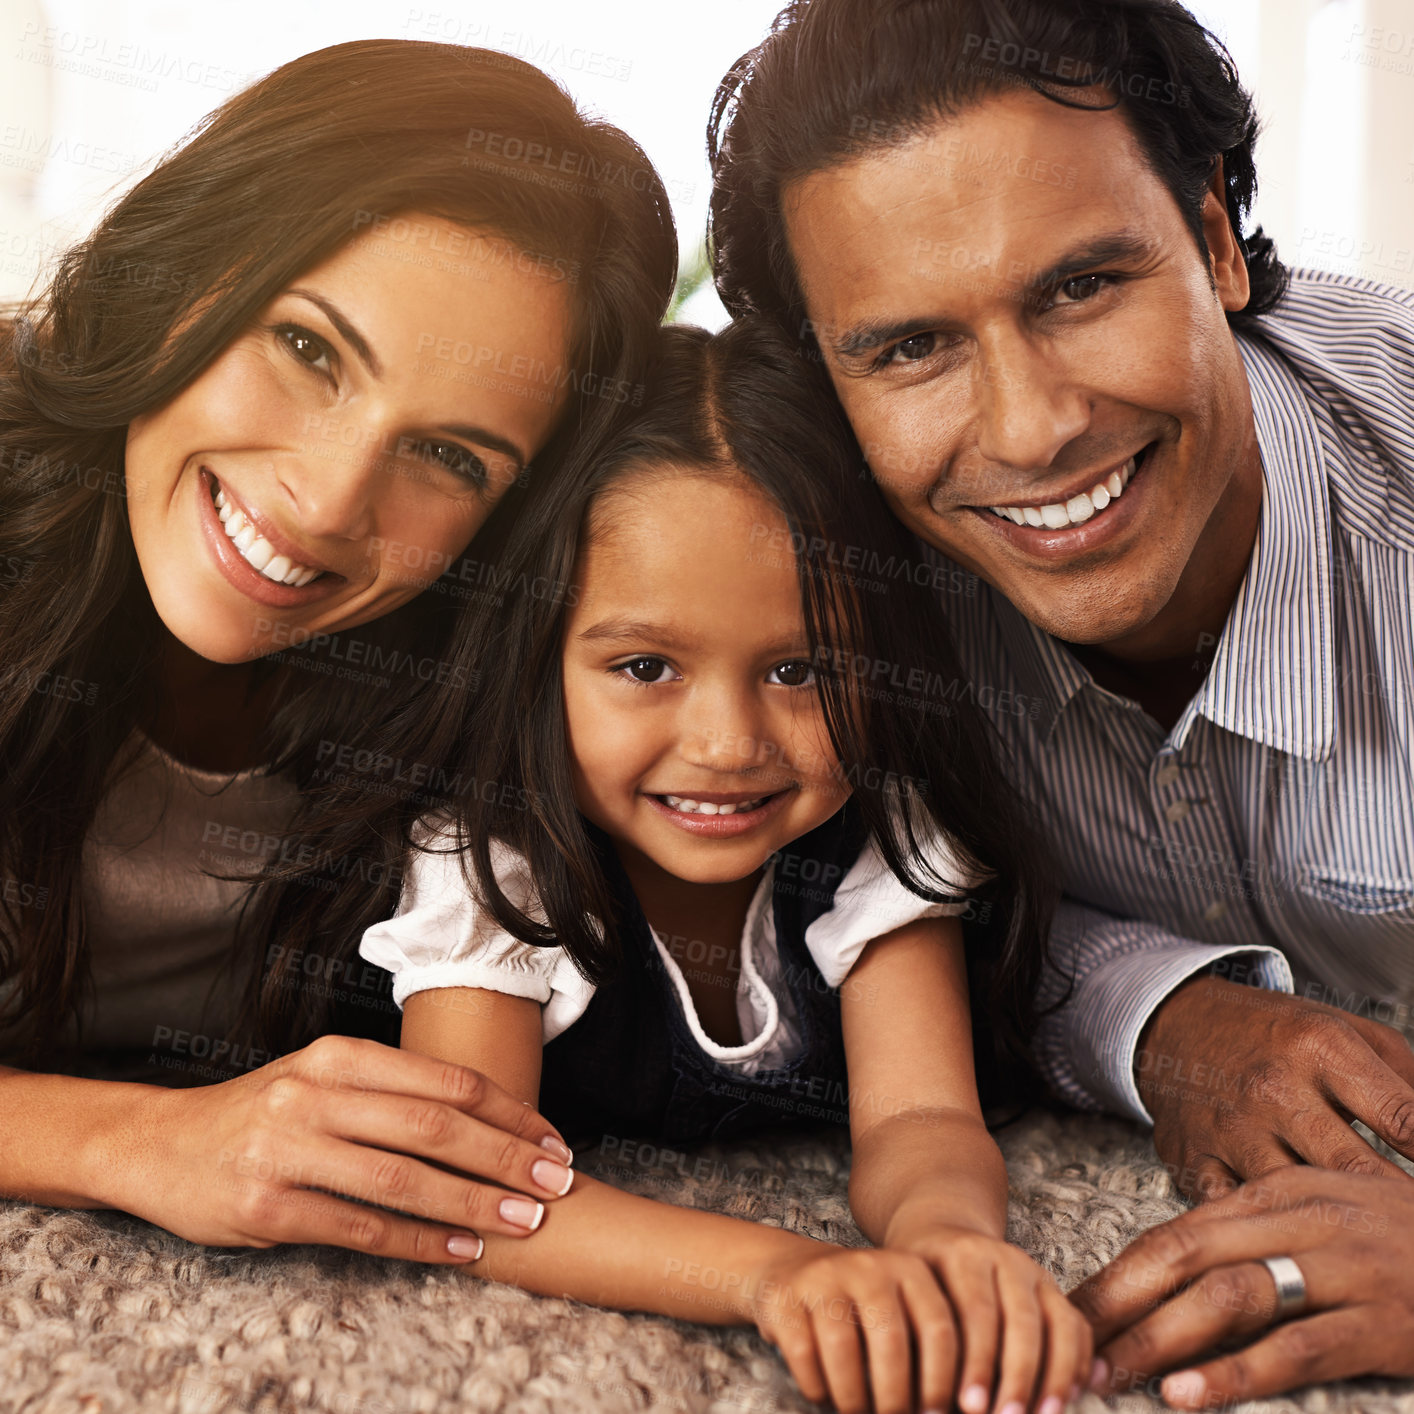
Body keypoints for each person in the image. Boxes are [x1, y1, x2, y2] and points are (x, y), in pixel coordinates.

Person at [706, 0, 1414, 1402]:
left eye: (1081, 286)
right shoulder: (824, 576)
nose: (1028, 430)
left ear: (1212, 240)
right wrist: (1160, 1015)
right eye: (906, 348)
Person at [0, 38, 676, 1263]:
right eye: (308, 349)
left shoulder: (480, 696)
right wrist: (123, 1140)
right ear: (184, 278)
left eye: (452, 458)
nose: (324, 502)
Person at [360, 319, 1092, 1414]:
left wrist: (949, 1240)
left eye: (799, 669)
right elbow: (476, 1185)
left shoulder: (878, 835)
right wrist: (776, 1271)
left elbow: (917, 1121)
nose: (727, 742)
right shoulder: (491, 860)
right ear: (536, 653)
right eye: (645, 665)